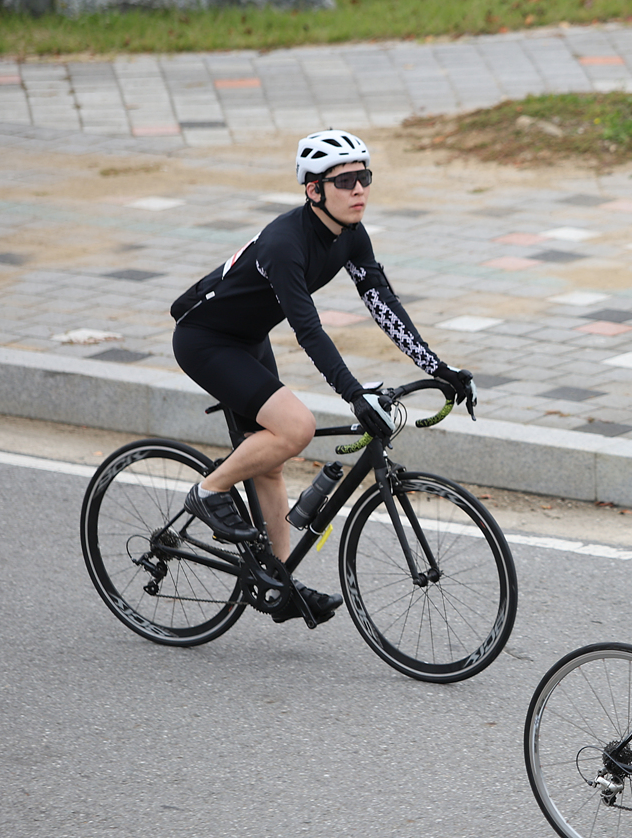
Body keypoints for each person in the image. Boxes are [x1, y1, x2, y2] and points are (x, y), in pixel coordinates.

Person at [169, 128, 476, 623]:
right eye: (345, 181)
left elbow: (383, 305)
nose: (359, 190)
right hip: (205, 340)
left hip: (248, 340)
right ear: (314, 190)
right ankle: (208, 491)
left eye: (364, 178)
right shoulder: (284, 243)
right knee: (297, 428)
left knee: (269, 463)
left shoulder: (352, 235)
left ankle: (279, 583)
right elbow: (309, 331)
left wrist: (440, 368)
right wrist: (354, 394)